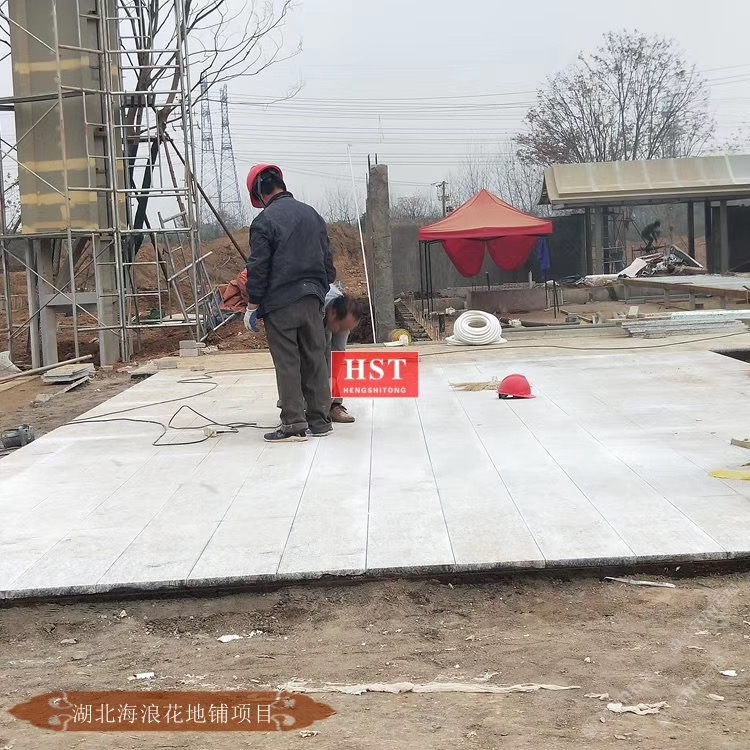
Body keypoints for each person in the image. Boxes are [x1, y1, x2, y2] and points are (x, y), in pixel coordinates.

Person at [244, 164, 336, 443]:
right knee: (315, 359)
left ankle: (294, 423)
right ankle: (320, 421)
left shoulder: (264, 221)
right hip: (313, 299)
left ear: (260, 193)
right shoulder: (312, 215)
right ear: (281, 185)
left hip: (281, 303)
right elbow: (328, 262)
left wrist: (252, 305)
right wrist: (319, 288)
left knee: (287, 362)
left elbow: (258, 267)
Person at [324, 284, 363, 423]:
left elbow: (338, 352)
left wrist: (332, 380)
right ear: (333, 314)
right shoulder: (316, 304)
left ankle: (334, 405)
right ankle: (302, 409)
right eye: (341, 327)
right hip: (307, 311)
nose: (342, 331)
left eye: (346, 329)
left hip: (330, 314)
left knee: (337, 360)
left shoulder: (344, 316)